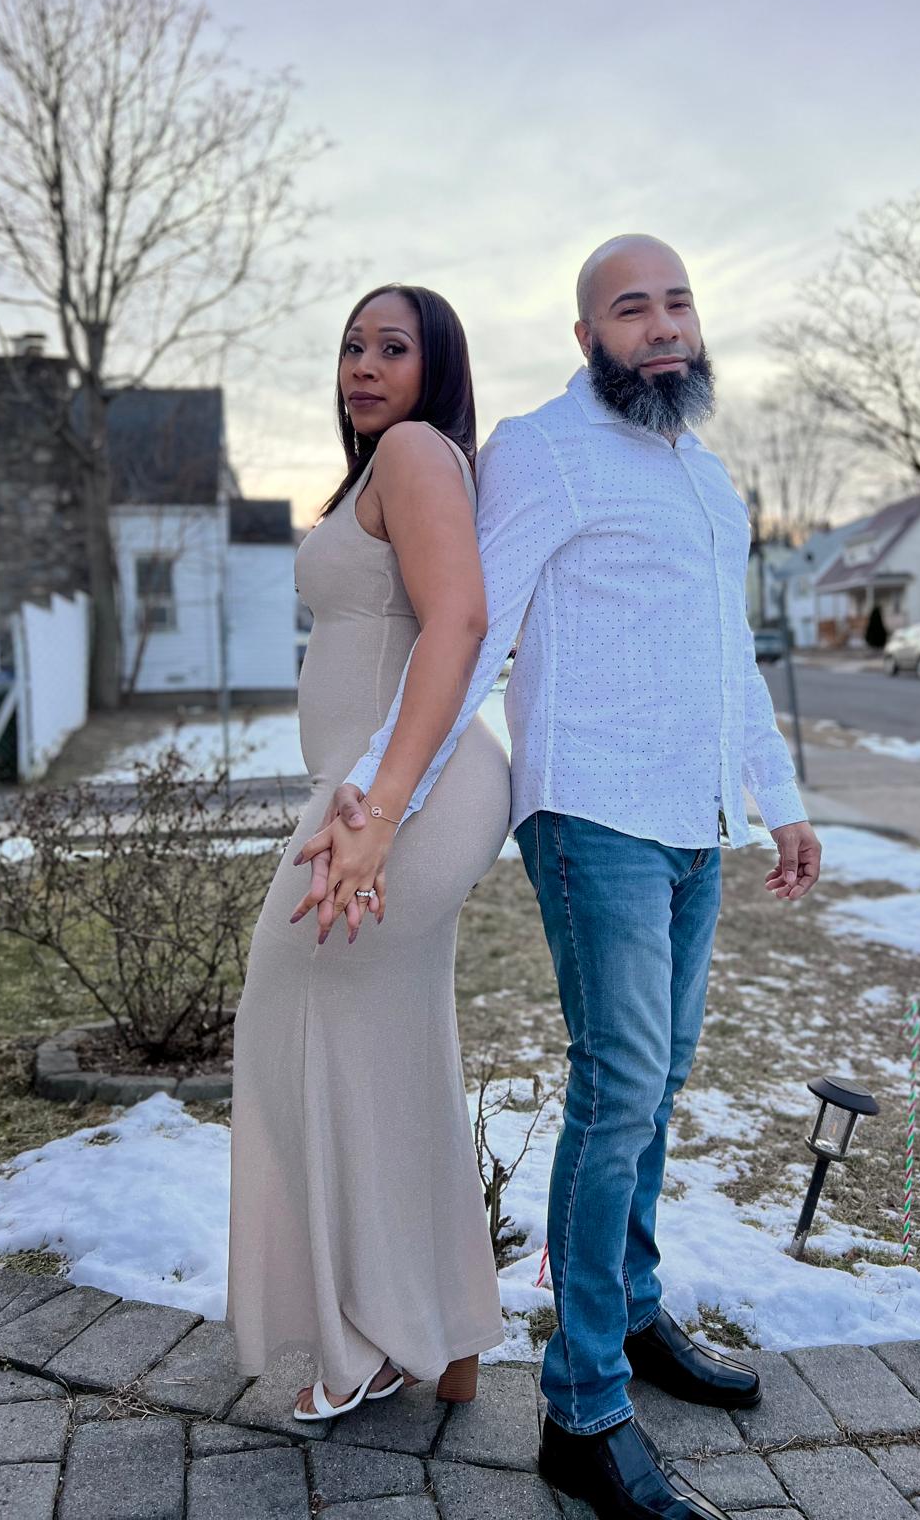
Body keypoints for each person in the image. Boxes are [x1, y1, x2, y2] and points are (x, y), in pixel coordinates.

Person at [305, 235, 822, 1519]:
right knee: (619, 1088)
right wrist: (376, 794)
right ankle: (581, 1408)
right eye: (631, 309)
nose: (663, 325)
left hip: (695, 820)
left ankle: (631, 1314)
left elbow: (731, 655)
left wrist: (783, 802)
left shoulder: (708, 481)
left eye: (678, 303)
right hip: (592, 814)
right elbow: (468, 632)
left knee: (662, 1080)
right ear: (589, 337)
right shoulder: (543, 449)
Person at [224, 284, 511, 1423]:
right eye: (352, 345)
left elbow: (461, 622)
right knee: (389, 1055)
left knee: (290, 1030)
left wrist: (381, 811)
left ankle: (375, 1336)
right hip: (378, 791)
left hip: (400, 796)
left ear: (436, 368)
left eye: (393, 347)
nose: (363, 365)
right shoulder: (381, 470)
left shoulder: (412, 451)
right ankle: (437, 1329)